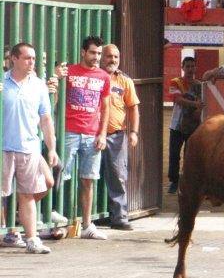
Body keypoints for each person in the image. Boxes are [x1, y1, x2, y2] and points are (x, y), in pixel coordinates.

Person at [0, 43, 60, 254]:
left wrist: (51, 148)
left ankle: (32, 239)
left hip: (29, 147)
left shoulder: (38, 85)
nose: (32, 62)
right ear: (14, 59)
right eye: (27, 58)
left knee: (28, 194)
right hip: (3, 147)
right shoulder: (2, 82)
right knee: (1, 194)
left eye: (34, 58)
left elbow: (45, 118)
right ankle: (6, 233)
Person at [60, 35, 111, 240]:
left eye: (99, 53)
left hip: (92, 133)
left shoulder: (104, 77)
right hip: (69, 130)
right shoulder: (70, 72)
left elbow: (106, 107)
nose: (96, 57)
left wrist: (103, 133)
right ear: (83, 52)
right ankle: (58, 218)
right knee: (60, 176)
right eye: (93, 52)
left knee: (88, 179)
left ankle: (88, 224)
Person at [97, 44, 139, 231]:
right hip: (92, 134)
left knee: (118, 176)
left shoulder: (124, 81)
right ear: (101, 57)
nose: (112, 60)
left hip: (116, 135)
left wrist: (133, 132)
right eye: (108, 56)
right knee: (88, 176)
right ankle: (88, 217)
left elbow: (133, 107)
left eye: (115, 57)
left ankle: (119, 217)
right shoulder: (93, 77)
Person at [168, 56, 202, 195]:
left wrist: (198, 109)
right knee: (174, 154)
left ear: (195, 68)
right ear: (182, 68)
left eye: (192, 66)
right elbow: (178, 100)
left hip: (193, 125)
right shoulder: (175, 82)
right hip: (177, 124)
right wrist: (196, 105)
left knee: (190, 155)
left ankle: (188, 180)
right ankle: (174, 181)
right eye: (187, 66)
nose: (190, 69)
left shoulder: (199, 85)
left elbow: (202, 103)